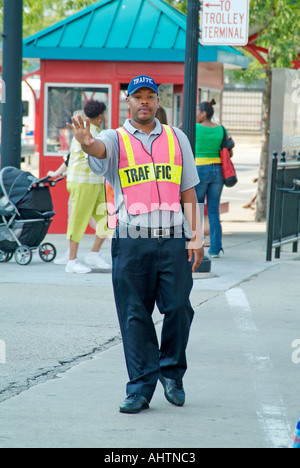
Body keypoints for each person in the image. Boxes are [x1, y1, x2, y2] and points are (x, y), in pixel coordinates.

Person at [67, 75, 204, 414]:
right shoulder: (113, 138)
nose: (144, 101)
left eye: (150, 96)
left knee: (178, 309)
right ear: (127, 102)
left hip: (173, 237)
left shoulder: (177, 138)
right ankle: (140, 387)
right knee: (134, 315)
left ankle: (171, 372)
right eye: (138, 96)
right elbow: (98, 151)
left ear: (158, 102)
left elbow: (188, 190)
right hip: (131, 240)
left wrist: (197, 236)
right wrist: (86, 143)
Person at [64, 100, 112, 274]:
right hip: (83, 181)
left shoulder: (92, 131)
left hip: (94, 182)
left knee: (105, 218)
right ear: (100, 116)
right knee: (78, 219)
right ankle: (72, 261)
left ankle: (94, 253)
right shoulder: (90, 132)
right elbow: (92, 157)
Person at [194, 99, 232, 258]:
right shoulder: (221, 129)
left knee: (195, 209)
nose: (194, 114)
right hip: (218, 171)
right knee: (214, 210)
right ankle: (215, 249)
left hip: (200, 170)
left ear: (203, 113)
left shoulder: (194, 128)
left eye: (196, 111)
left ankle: (195, 244)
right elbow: (229, 149)